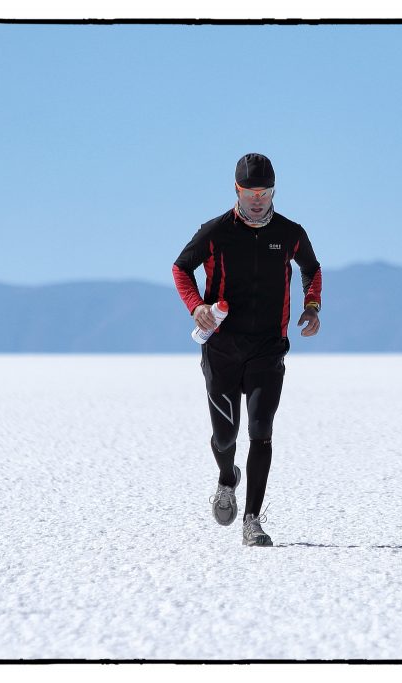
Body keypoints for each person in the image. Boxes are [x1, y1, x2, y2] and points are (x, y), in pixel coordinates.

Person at [172, 153, 322, 547]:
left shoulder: (290, 233)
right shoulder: (216, 231)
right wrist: (197, 307)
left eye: (265, 192)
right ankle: (227, 478)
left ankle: (252, 521)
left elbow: (312, 268)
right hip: (221, 349)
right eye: (250, 192)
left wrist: (312, 305)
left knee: (261, 432)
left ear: (274, 191)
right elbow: (181, 268)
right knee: (225, 437)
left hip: (268, 350)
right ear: (236, 190)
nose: (258, 199)